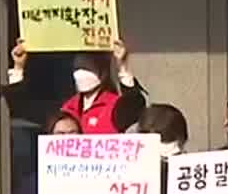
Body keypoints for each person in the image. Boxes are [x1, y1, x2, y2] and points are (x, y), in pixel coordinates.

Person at [7, 38, 146, 136]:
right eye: (76, 68)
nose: (80, 73)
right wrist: (18, 67)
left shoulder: (115, 106)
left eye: (86, 67)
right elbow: (20, 106)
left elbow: (135, 106)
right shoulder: (65, 107)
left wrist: (122, 66)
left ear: (103, 72)